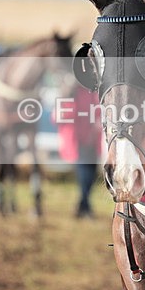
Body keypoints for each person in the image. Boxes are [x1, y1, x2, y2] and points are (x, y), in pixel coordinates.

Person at [56, 80, 102, 218]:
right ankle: (85, 206)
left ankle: (82, 205)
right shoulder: (73, 93)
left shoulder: (93, 92)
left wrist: (98, 122)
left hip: (92, 139)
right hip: (79, 140)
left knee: (91, 173)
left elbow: (98, 111)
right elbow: (61, 116)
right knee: (85, 173)